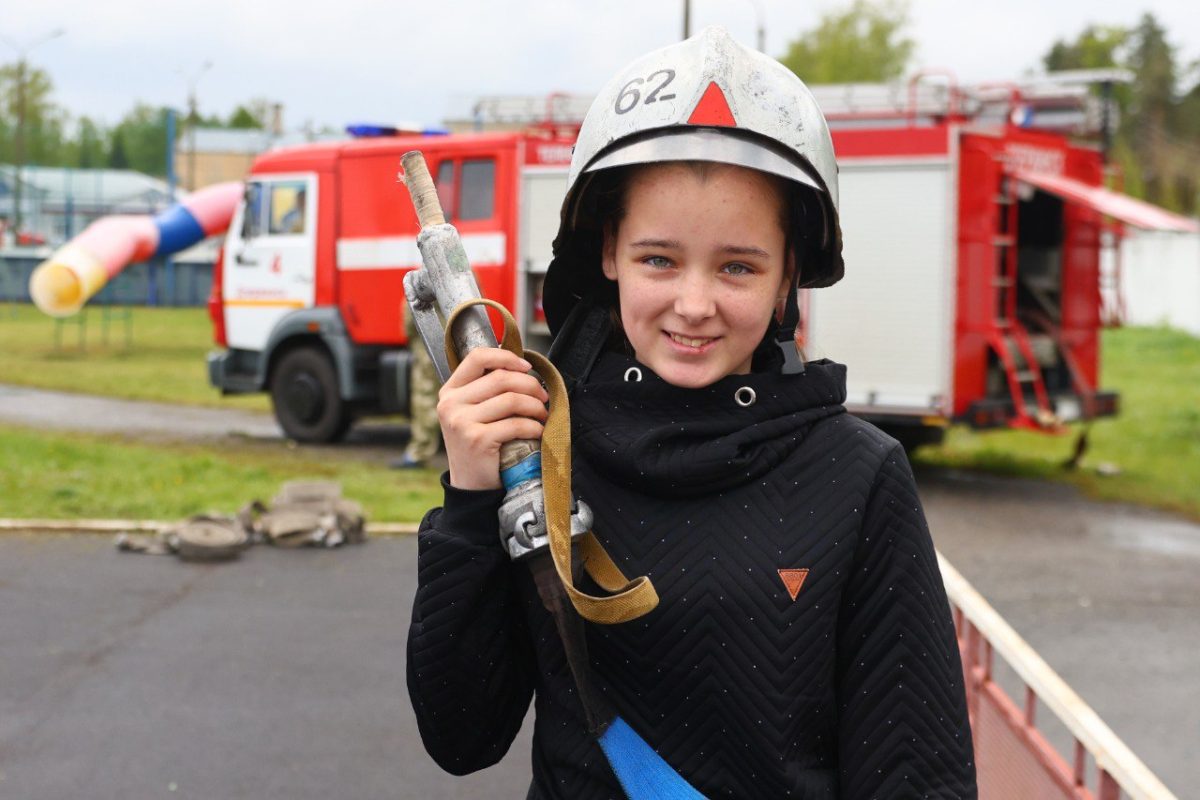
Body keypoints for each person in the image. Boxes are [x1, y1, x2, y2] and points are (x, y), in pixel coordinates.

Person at [407, 27, 976, 799]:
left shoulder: (858, 478)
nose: (695, 304)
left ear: (789, 280)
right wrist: (472, 501)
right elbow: (461, 736)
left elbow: (919, 781)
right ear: (607, 252)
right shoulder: (537, 455)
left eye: (738, 266)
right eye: (659, 259)